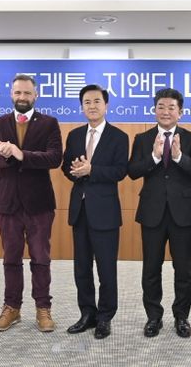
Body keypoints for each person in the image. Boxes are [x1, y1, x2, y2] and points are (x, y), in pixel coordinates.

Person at [0, 74, 62, 333]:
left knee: (41, 258)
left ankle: (43, 308)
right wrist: (5, 156)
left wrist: (21, 154)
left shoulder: (49, 123)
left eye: (27, 93)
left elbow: (55, 158)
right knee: (11, 258)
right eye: (18, 92)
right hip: (8, 203)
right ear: (11, 94)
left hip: (39, 203)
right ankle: (12, 307)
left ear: (36, 95)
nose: (22, 97)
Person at [127, 88, 191, 338]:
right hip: (152, 211)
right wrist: (154, 156)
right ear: (154, 110)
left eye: (171, 107)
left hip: (184, 212)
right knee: (151, 268)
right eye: (161, 107)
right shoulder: (143, 139)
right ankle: (154, 317)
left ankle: (182, 317)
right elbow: (132, 171)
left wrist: (179, 156)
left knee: (183, 269)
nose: (166, 111)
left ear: (180, 112)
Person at [62, 84, 129, 340]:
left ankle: (105, 317)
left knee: (106, 269)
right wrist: (76, 170)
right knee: (81, 268)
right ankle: (87, 314)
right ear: (82, 107)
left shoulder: (119, 136)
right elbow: (65, 167)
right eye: (87, 102)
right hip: (79, 210)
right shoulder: (74, 135)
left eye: (97, 101)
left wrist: (92, 170)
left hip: (105, 212)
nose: (92, 106)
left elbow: (120, 171)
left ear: (106, 105)